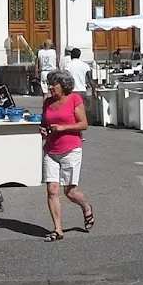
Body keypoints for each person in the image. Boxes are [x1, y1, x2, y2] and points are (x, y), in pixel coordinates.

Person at [40, 70, 95, 242]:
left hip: (71, 149)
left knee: (70, 192)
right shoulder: (47, 102)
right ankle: (58, 229)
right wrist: (43, 130)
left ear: (64, 86)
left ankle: (86, 207)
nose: (50, 87)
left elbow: (83, 124)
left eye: (53, 84)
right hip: (51, 150)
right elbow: (44, 123)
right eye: (49, 83)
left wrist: (63, 128)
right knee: (52, 190)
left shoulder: (74, 99)